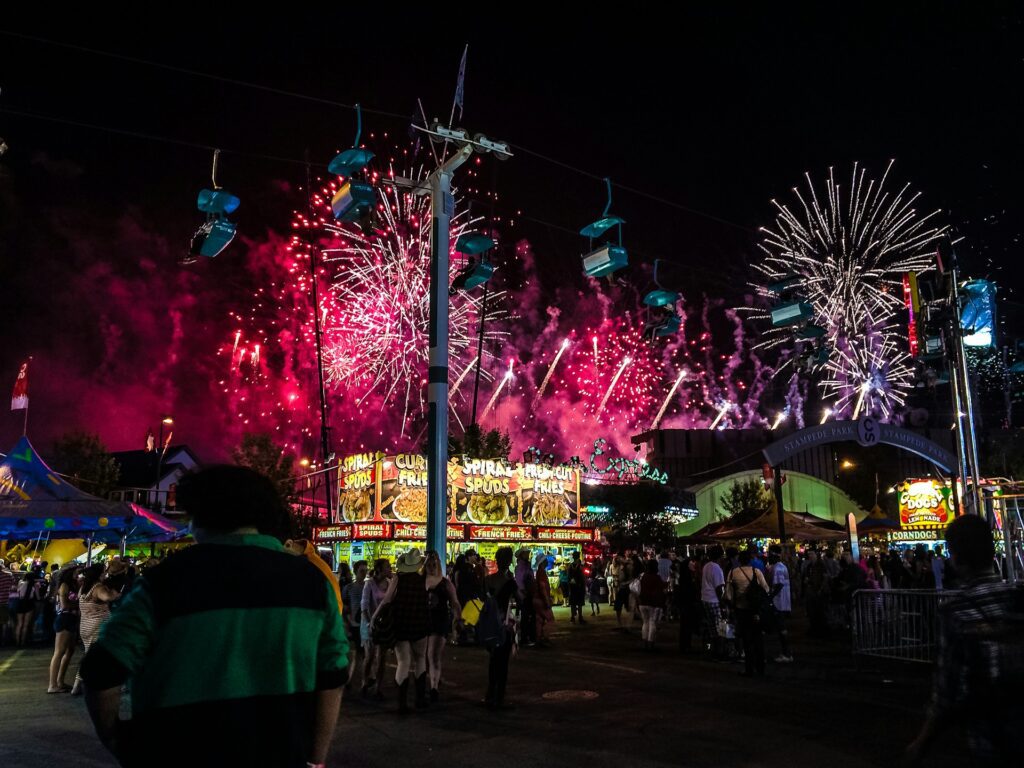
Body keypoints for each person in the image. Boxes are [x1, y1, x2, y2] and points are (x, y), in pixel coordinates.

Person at [80, 465, 348, 768]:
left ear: (198, 518)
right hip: (281, 753)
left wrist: (120, 741)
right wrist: (315, 759)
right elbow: (333, 677)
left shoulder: (163, 582)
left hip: (177, 752)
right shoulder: (313, 583)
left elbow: (102, 669)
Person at [906, 515, 1024, 765]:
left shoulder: (956, 610)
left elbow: (947, 687)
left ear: (956, 557)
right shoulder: (1016, 597)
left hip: (989, 735)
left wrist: (922, 741)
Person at [373, 548, 430, 714]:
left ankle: (402, 703)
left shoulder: (398, 578)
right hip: (420, 622)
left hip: (401, 622)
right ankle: (420, 699)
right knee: (420, 660)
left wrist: (375, 617)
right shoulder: (424, 579)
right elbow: (438, 578)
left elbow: (387, 600)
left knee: (403, 662)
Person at [71, 563, 119, 696]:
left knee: (90, 655)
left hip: (86, 626)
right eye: (104, 572)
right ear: (98, 574)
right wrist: (114, 594)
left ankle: (77, 686)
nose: (105, 574)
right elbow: (107, 597)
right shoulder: (98, 587)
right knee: (95, 657)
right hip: (98, 627)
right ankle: (93, 686)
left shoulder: (84, 588)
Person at [424, 550, 461, 702]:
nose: (432, 567)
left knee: (433, 655)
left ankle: (434, 688)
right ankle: (432, 679)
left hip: (439, 622)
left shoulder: (445, 583)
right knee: (425, 657)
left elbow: (455, 602)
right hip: (422, 622)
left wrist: (458, 619)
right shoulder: (421, 581)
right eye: (429, 564)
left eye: (434, 564)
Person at [483, 546, 518, 709]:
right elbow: (521, 601)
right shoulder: (510, 582)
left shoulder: (488, 580)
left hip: (490, 624)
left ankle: (490, 693)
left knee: (492, 661)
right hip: (503, 624)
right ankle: (499, 696)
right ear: (509, 561)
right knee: (503, 663)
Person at [727, 548, 770, 677]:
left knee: (746, 640)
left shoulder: (733, 573)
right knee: (758, 640)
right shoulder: (756, 572)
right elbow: (766, 589)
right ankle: (761, 668)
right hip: (755, 610)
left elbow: (728, 595)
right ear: (750, 560)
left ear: (739, 560)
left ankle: (749, 669)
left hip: (741, 610)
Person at [360, 558, 392, 699]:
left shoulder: (390, 584)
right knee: (370, 655)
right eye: (387, 567)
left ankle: (378, 687)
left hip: (383, 624)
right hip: (369, 623)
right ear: (379, 569)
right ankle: (364, 682)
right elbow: (364, 606)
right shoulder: (369, 584)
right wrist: (369, 623)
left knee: (382, 657)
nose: (390, 569)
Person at [47, 566, 81, 693]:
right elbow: (64, 605)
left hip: (71, 619)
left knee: (69, 651)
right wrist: (80, 604)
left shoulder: (73, 585)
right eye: (77, 573)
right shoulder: (64, 586)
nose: (79, 575)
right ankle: (52, 684)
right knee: (59, 652)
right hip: (64, 618)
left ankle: (60, 681)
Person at [341, 560, 368, 688]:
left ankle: (362, 681)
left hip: (366, 625)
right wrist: (348, 624)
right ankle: (350, 680)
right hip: (354, 625)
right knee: (356, 655)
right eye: (362, 571)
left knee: (365, 655)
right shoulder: (349, 588)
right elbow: (344, 609)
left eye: (365, 570)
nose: (364, 573)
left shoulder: (368, 587)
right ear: (356, 572)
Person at [766, 545, 793, 663]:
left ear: (774, 555)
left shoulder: (777, 568)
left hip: (779, 602)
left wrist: (770, 597)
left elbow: (779, 585)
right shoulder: (780, 566)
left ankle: (786, 654)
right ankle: (785, 653)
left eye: (769, 554)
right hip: (782, 602)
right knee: (781, 628)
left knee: (782, 628)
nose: (767, 557)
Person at [700, 546, 727, 658]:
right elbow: (719, 587)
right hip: (714, 599)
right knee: (721, 628)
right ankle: (721, 653)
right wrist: (723, 603)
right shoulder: (716, 568)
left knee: (712, 628)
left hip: (706, 598)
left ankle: (712, 651)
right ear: (720, 556)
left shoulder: (706, 566)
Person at [638, 559, 666, 650]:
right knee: (652, 622)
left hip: (642, 602)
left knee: (645, 622)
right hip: (652, 603)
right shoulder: (656, 577)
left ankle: (645, 642)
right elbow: (662, 587)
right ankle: (651, 643)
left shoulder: (644, 576)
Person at [514, 549, 537, 646]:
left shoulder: (526, 565)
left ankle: (528, 637)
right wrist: (525, 592)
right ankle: (525, 638)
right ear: (521, 555)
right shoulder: (521, 567)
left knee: (528, 617)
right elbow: (520, 582)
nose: (528, 555)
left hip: (527, 594)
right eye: (526, 553)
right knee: (526, 617)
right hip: (524, 596)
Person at [533, 553, 555, 646]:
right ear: (542, 562)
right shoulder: (541, 572)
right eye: (545, 560)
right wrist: (546, 600)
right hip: (541, 600)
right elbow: (542, 587)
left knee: (539, 620)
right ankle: (545, 637)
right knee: (550, 619)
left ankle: (539, 638)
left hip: (536, 600)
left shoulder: (539, 572)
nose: (547, 561)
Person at [567, 552, 587, 624]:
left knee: (573, 603)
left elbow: (568, 577)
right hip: (579, 586)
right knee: (580, 603)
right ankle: (580, 617)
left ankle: (572, 617)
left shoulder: (570, 566)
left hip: (573, 587)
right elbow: (583, 577)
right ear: (578, 557)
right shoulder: (580, 566)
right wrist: (584, 586)